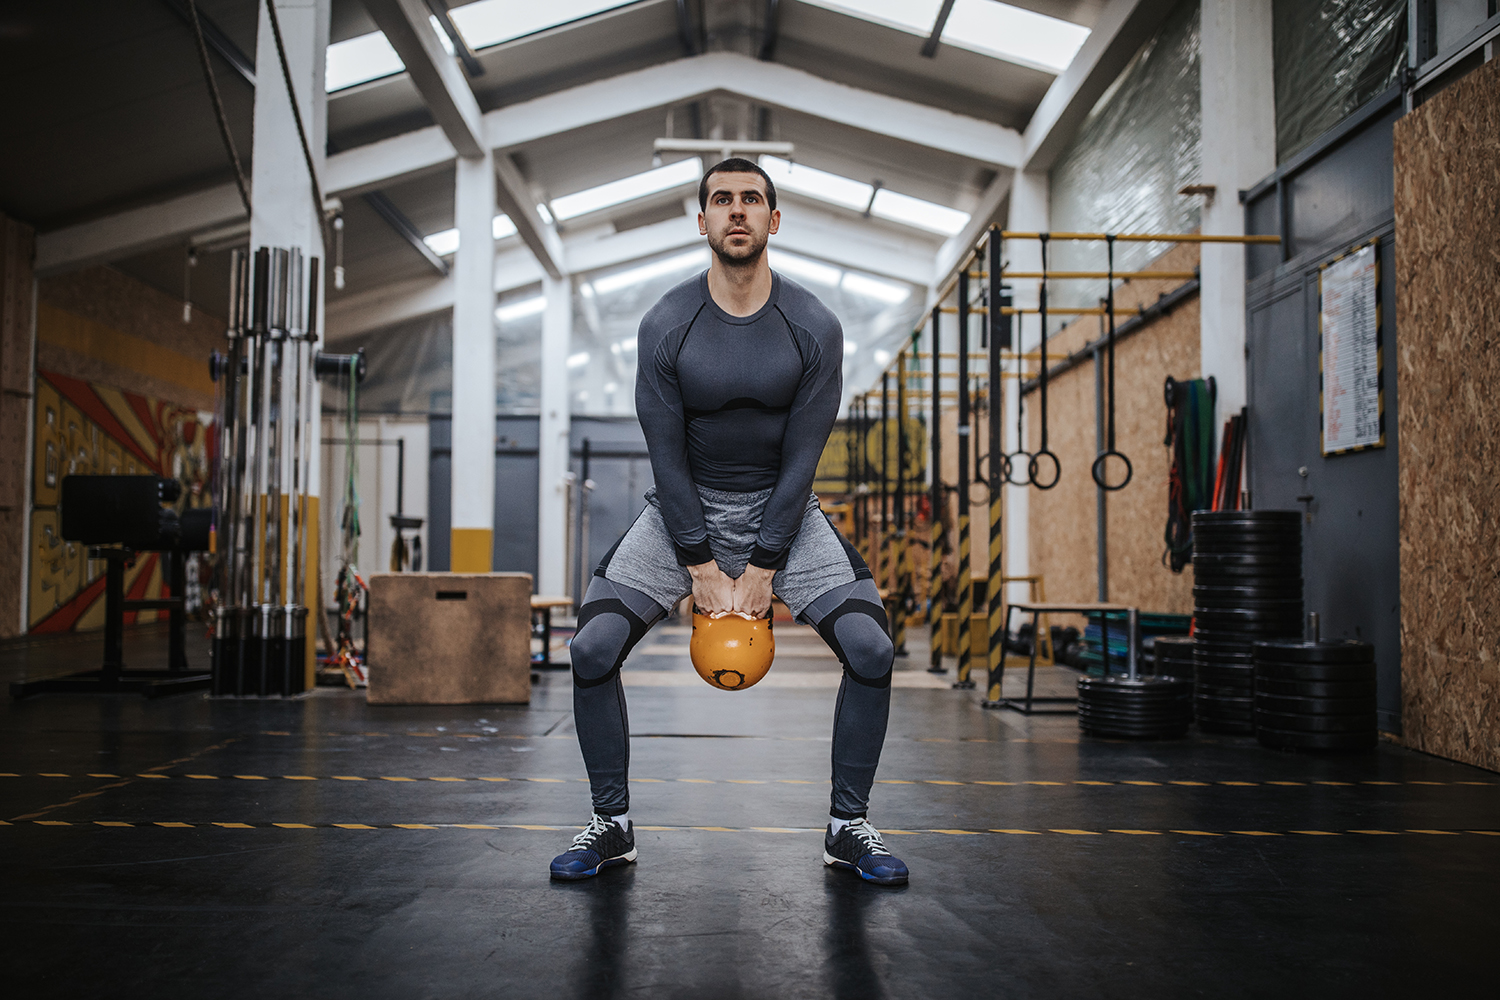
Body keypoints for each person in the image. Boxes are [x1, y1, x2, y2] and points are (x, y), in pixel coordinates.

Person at [549, 158, 907, 886]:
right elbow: (665, 451)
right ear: (703, 220)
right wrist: (700, 564)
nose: (736, 211)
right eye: (721, 200)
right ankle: (611, 825)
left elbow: (806, 453)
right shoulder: (665, 324)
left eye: (751, 200)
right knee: (591, 650)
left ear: (774, 220)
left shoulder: (813, 326)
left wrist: (768, 562)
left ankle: (848, 827)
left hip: (787, 510)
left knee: (871, 650)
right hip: (687, 508)